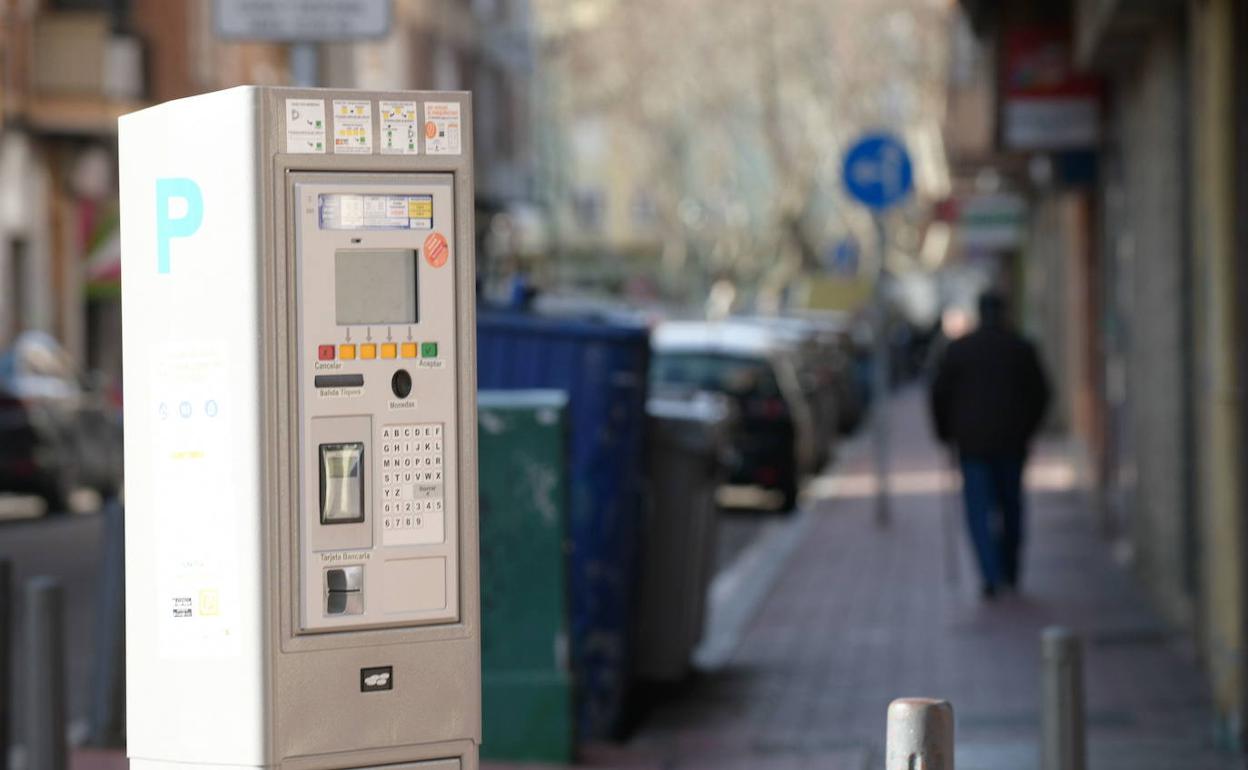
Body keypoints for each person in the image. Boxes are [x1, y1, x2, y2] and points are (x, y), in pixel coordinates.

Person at [929, 292, 1051, 599]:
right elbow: (1043, 394)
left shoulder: (960, 350)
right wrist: (1027, 430)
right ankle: (1008, 572)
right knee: (1011, 508)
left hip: (974, 446)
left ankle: (990, 574)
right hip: (1011, 443)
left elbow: (938, 396)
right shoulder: (1020, 348)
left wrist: (946, 434)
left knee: (979, 512)